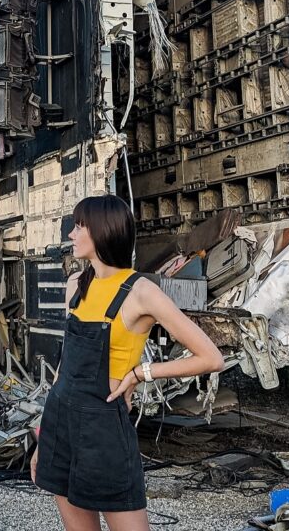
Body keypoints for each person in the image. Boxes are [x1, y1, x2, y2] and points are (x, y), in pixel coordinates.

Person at [30, 194, 225, 531]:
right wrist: (44, 438)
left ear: (104, 231)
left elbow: (211, 357)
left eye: (79, 227)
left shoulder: (141, 292)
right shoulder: (75, 285)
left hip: (104, 427)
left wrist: (141, 373)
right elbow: (65, 367)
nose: (72, 235)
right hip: (61, 419)